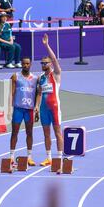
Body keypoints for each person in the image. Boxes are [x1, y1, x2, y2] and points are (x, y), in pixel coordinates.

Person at [36, 33, 64, 169]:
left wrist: (46, 45)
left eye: (45, 63)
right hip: (43, 109)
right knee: (46, 134)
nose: (42, 64)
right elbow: (39, 94)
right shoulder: (40, 77)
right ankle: (49, 158)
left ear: (50, 64)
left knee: (57, 132)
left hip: (54, 108)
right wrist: (36, 107)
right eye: (41, 63)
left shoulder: (56, 74)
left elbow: (54, 58)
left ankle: (59, 158)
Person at [8, 57, 39, 169]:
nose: (26, 65)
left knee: (29, 133)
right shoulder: (15, 76)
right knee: (14, 132)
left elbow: (38, 94)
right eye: (24, 64)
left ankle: (29, 157)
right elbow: (11, 93)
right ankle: (11, 157)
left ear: (30, 64)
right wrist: (9, 109)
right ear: (21, 64)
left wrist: (37, 108)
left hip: (29, 110)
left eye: (27, 64)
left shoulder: (36, 78)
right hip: (18, 109)